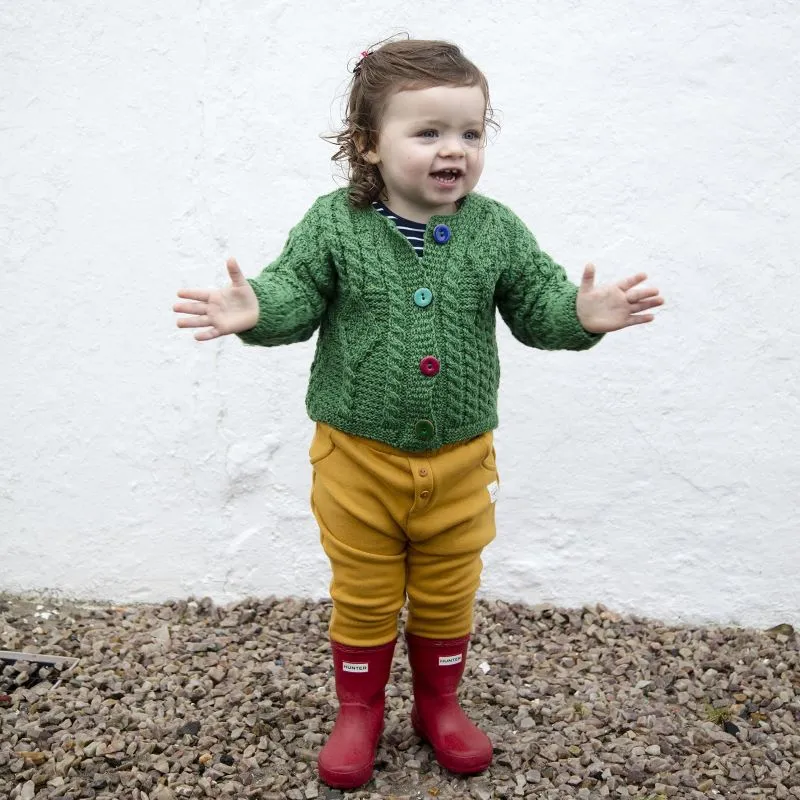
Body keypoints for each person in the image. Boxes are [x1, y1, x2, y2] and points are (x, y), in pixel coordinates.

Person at [173, 38, 664, 790]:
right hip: (355, 458)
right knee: (364, 591)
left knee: (447, 587)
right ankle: (359, 710)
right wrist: (256, 309)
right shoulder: (334, 225)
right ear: (369, 145)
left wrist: (582, 315)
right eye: (428, 132)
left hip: (463, 460)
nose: (454, 150)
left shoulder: (495, 229)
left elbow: (538, 307)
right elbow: (295, 294)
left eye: (471, 133)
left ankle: (438, 705)